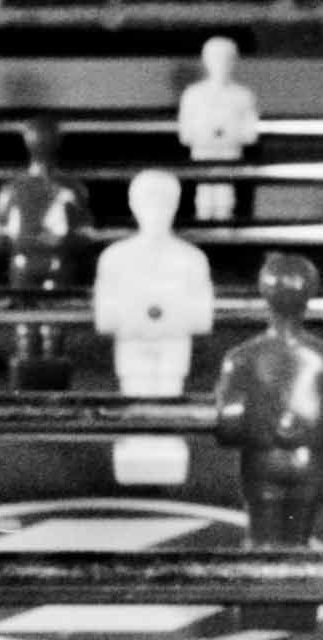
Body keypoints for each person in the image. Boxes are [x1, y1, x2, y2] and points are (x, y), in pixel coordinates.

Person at [214, 252, 323, 629]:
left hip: (264, 462)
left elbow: (227, 423)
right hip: (304, 464)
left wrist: (268, 427)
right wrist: (307, 428)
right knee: (294, 537)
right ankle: (286, 602)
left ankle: (268, 602)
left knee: (265, 536)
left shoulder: (242, 357)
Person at [93, 169, 214, 485]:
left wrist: (166, 315)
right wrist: (140, 316)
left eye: (164, 203)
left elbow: (203, 313)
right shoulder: (115, 258)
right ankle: (135, 442)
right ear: (133, 206)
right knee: (135, 395)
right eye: (148, 202)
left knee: (168, 395)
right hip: (132, 344)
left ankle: (163, 444)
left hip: (173, 346)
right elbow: (104, 313)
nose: (156, 211)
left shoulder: (192, 260)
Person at [0, 117, 93, 389]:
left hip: (34, 262)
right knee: (45, 325)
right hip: (47, 262)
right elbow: (85, 235)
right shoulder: (69, 188)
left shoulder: (15, 189)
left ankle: (37, 385)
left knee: (35, 324)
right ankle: (40, 384)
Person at [176, 36, 259, 223]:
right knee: (204, 199)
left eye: (226, 58)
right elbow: (185, 133)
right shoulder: (193, 95)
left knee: (225, 200)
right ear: (206, 61)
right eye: (215, 58)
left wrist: (229, 134)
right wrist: (206, 134)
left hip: (229, 157)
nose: (220, 64)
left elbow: (250, 132)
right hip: (203, 155)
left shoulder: (243, 96)